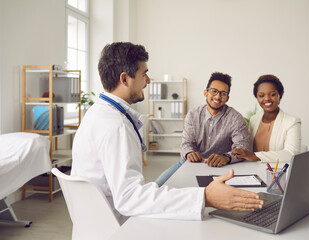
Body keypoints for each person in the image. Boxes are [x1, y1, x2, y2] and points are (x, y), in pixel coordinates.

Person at [71, 42, 263, 221]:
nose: (148, 80)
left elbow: (241, 148)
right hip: (119, 223)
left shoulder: (96, 114)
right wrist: (205, 197)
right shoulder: (116, 125)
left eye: (223, 93)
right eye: (144, 74)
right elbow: (130, 198)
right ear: (124, 78)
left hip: (94, 219)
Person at [155, 72, 250, 187]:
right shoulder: (192, 114)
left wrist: (226, 157)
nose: (218, 96)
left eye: (223, 93)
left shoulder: (235, 118)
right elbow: (186, 143)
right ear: (205, 92)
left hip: (222, 168)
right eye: (214, 91)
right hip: (192, 164)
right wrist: (189, 153)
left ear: (227, 98)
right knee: (157, 186)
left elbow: (242, 148)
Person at [231, 74, 301, 163]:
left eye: (272, 94)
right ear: (257, 97)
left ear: (280, 96)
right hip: (252, 171)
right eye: (261, 95)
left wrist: (255, 156)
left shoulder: (292, 122)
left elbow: (291, 153)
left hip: (277, 172)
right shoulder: (254, 120)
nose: (267, 99)